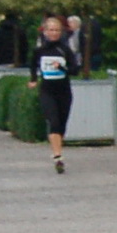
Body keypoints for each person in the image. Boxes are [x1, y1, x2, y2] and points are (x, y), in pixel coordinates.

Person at [28, 14, 79, 173]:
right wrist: (33, 79)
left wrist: (62, 67)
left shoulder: (65, 50)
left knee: (62, 124)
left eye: (57, 30)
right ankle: (57, 156)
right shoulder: (39, 50)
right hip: (47, 91)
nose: (54, 33)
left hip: (64, 91)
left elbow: (74, 70)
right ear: (45, 31)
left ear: (61, 32)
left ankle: (58, 150)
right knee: (53, 121)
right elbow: (32, 66)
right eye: (50, 30)